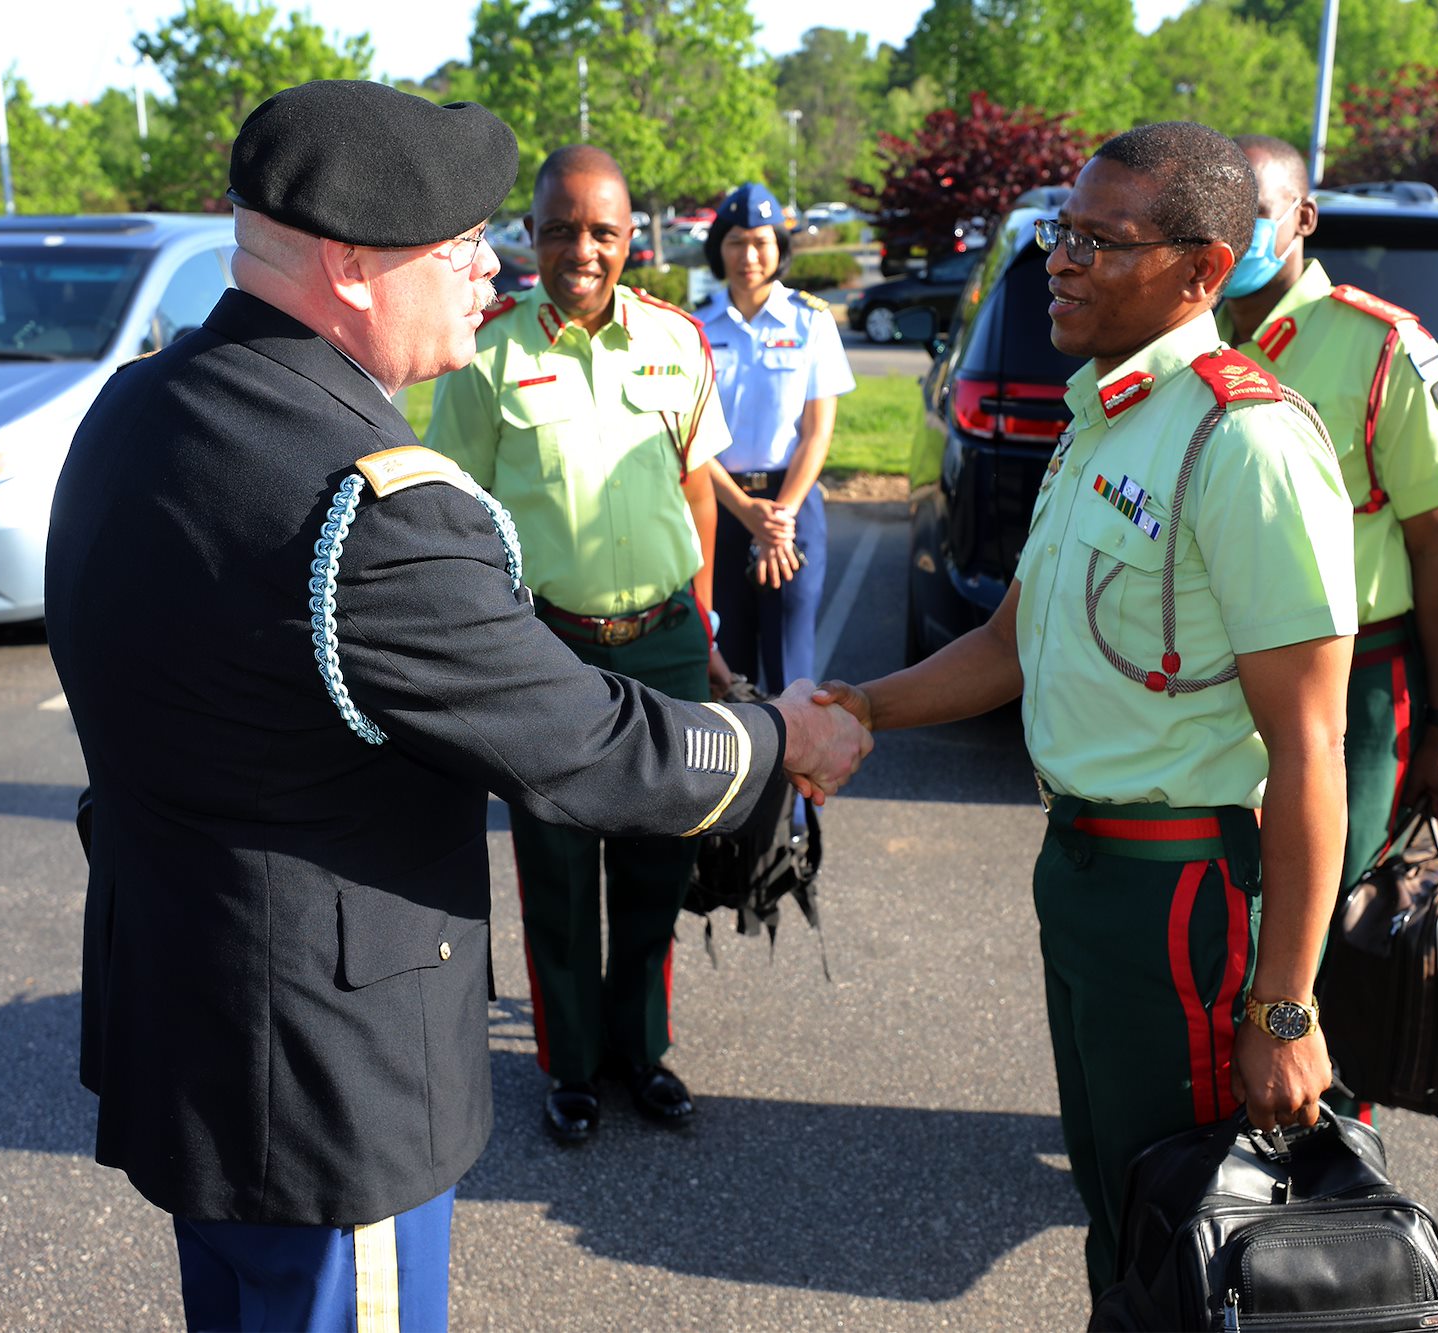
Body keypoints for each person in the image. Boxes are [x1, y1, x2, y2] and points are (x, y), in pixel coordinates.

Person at [44, 80, 869, 1332]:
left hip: (184, 1026)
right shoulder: (370, 503)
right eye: (457, 246)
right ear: (355, 266)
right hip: (329, 1087)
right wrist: (777, 739)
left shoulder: (135, 411)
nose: (490, 269)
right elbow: (585, 745)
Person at [816, 122, 1358, 1303]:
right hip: (1083, 874)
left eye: (1098, 241)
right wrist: (861, 704)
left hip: (1179, 899)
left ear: (1203, 270)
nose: (1059, 261)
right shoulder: (1106, 415)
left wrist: (1282, 1003)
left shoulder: (1244, 437)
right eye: (1062, 233)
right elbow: (1009, 643)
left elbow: (1310, 744)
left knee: (1192, 1236)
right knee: (1121, 1214)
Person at [424, 146, 736, 1148]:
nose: (581, 248)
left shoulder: (679, 341)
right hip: (547, 650)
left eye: (601, 230)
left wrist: (709, 629)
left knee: (656, 866)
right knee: (557, 874)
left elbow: (695, 492)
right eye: (561, 227)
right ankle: (567, 1065)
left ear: (630, 238)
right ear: (531, 235)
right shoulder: (488, 356)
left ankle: (636, 1050)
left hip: (667, 644)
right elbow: (459, 516)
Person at [1216, 136, 1438, 1121]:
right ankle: (1224, 1098)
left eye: (1258, 209)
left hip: (1352, 679)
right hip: (1212, 669)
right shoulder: (1186, 334)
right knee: (1224, 896)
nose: (1236, 229)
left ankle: (1324, 1121)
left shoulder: (1378, 344)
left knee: (1327, 902)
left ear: (1302, 221)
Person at [693, 182, 856, 700]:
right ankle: (738, 783)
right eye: (736, 241)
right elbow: (692, 435)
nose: (749, 255)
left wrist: (776, 521)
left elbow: (817, 432)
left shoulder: (811, 321)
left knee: (792, 677)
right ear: (719, 247)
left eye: (762, 241)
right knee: (728, 675)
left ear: (780, 249)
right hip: (720, 507)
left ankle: (797, 783)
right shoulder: (694, 325)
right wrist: (747, 514)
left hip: (793, 510)